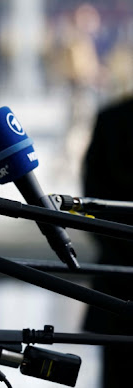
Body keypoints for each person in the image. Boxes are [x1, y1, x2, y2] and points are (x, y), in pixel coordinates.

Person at [82, 96, 133, 388]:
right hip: (118, 285)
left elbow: (93, 201)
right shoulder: (111, 119)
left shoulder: (112, 119)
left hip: (117, 279)